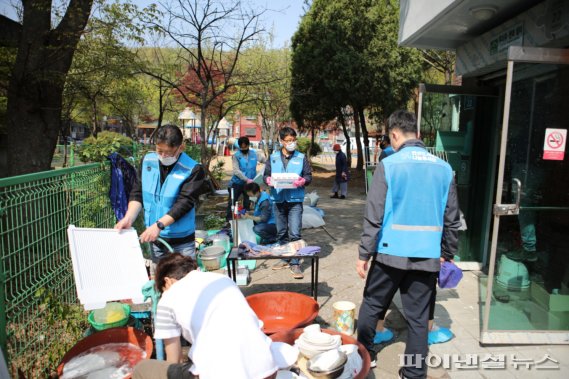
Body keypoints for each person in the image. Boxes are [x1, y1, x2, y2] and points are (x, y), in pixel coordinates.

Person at [356, 110, 460, 378]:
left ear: (394, 134)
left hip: (390, 254)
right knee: (418, 321)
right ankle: (414, 373)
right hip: (427, 256)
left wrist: (364, 253)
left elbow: (374, 214)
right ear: (418, 134)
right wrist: (447, 253)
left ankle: (365, 356)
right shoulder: (444, 168)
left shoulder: (389, 165)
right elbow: (452, 219)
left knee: (372, 305)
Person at [132, 254, 279, 379]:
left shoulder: (168, 298)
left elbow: (173, 360)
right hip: (268, 369)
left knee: (142, 368)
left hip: (219, 375)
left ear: (167, 281)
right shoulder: (223, 279)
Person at [115, 125, 207, 276]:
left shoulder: (193, 169)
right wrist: (128, 218)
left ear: (180, 147)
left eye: (168, 152)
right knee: (160, 284)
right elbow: (138, 192)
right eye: (159, 151)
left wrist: (159, 225)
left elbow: (184, 203)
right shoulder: (147, 161)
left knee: (185, 284)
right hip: (156, 240)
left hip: (181, 242)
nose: (163, 156)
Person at [264, 127, 312, 279]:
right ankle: (285, 258)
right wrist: (268, 180)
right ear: (281, 141)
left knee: (295, 233)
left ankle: (295, 263)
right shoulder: (273, 157)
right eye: (288, 141)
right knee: (281, 232)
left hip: (295, 200)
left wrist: (303, 180)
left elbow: (308, 175)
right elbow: (266, 174)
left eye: (293, 140)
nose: (291, 143)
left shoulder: (301, 157)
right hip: (278, 199)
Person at [226, 137, 265, 221]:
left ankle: (245, 219)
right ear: (239, 146)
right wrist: (246, 179)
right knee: (232, 202)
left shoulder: (254, 154)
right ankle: (229, 220)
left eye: (245, 147)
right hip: (237, 183)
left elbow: (264, 160)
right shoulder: (236, 156)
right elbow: (236, 170)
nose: (244, 149)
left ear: (248, 145)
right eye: (242, 147)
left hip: (250, 184)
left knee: (247, 202)